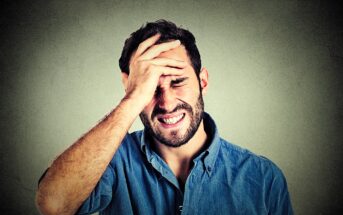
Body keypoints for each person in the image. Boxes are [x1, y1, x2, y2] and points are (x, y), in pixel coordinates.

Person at [36, 20, 293, 215]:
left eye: (178, 81)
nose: (167, 103)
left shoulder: (263, 178)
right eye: (150, 88)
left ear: (202, 80)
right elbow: (53, 204)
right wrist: (133, 98)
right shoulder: (110, 162)